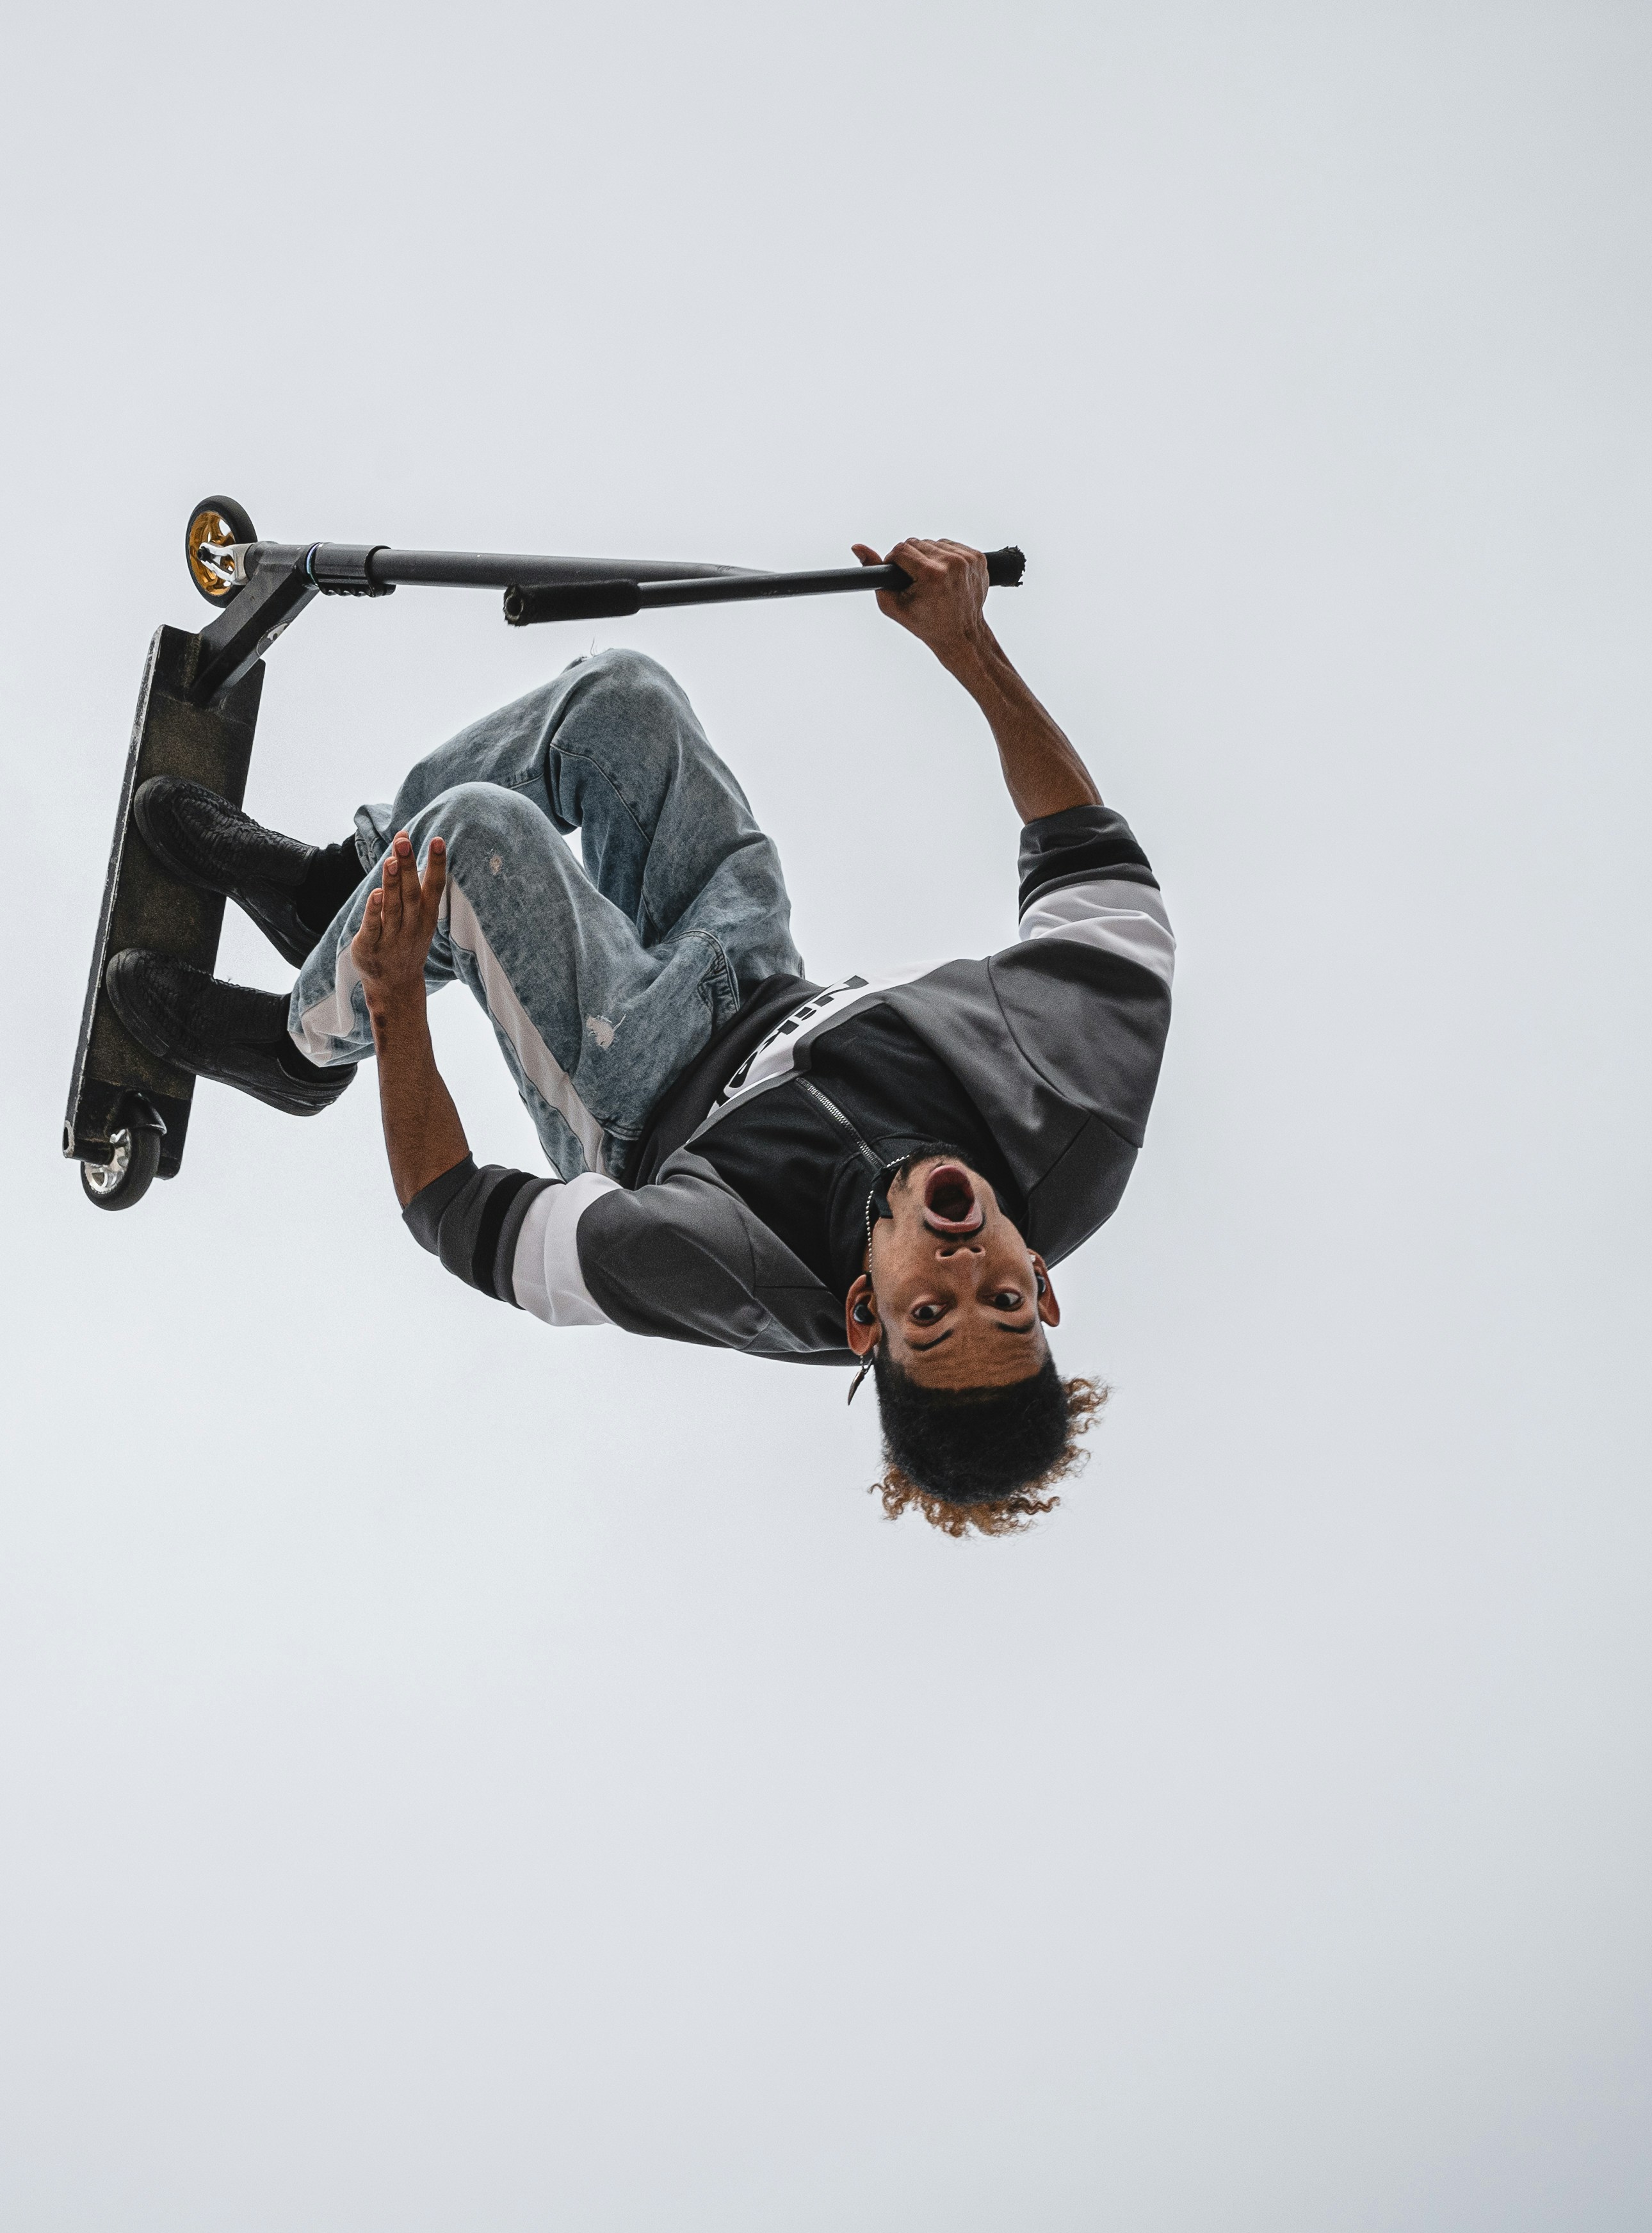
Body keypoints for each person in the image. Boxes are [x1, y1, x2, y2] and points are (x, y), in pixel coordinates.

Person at [102, 540, 1174, 1536]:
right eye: (999, 1296)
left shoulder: (729, 1276)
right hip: (751, 967)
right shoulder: (1072, 1115)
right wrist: (967, 644)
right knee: (623, 699)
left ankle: (299, 1053)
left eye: (929, 1310)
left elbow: (455, 1215)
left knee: (480, 841)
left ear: (863, 1313)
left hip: (636, 1091)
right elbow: (1097, 876)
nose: (959, 1255)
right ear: (1043, 1285)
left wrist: (397, 1005)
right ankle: (335, 892)